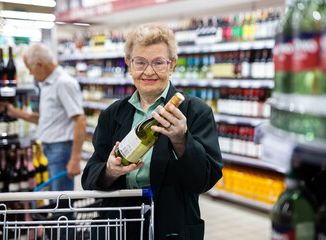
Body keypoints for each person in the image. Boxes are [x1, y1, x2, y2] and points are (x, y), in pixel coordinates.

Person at [81, 22, 223, 240]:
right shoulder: (111, 114)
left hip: (171, 222)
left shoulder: (195, 111)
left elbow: (204, 180)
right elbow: (89, 176)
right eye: (140, 62)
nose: (149, 71)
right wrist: (110, 170)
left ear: (172, 65)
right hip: (119, 223)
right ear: (129, 65)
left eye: (158, 62)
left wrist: (181, 140)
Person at [0, 43, 86, 192]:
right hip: (50, 149)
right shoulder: (47, 84)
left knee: (61, 200)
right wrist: (15, 113)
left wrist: (75, 159)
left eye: (30, 69)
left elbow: (80, 120)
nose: (30, 74)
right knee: (54, 196)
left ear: (40, 65)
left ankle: (63, 216)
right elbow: (46, 119)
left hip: (60, 149)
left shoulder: (63, 83)